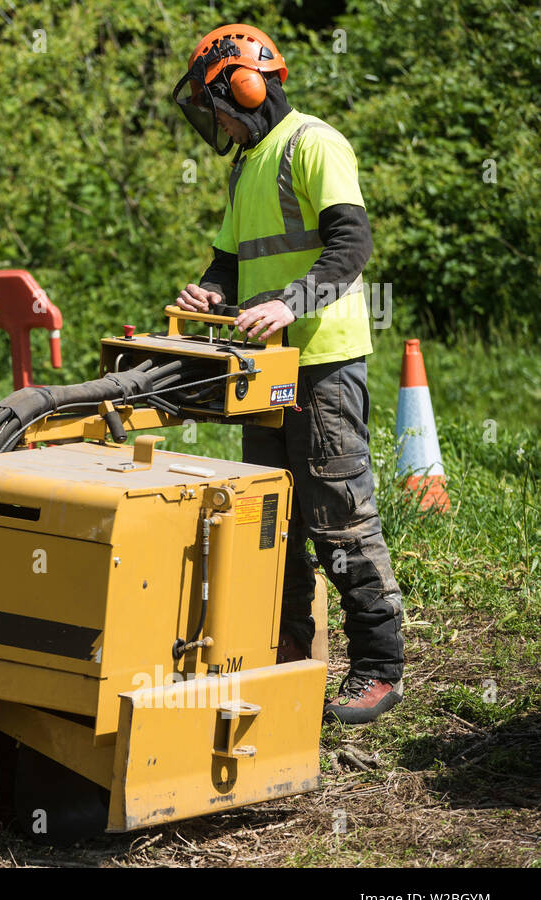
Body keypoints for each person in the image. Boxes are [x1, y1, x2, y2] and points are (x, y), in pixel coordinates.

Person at [171, 23, 404, 723]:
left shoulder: (314, 143)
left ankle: (379, 667)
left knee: (338, 517)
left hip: (322, 362)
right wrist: (212, 291)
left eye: (216, 105)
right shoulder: (245, 164)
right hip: (265, 368)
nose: (213, 121)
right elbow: (228, 258)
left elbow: (351, 243)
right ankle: (289, 652)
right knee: (272, 514)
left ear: (245, 86)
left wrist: (289, 302)